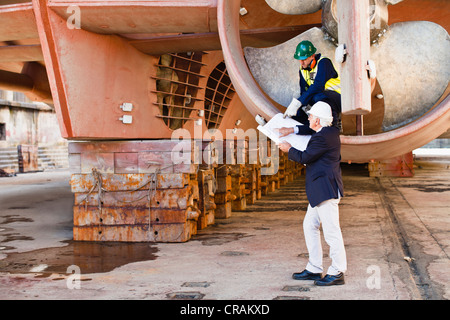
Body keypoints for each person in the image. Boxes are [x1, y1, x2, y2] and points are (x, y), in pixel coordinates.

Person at [278, 101, 347, 286]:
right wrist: (291, 130)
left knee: (332, 232)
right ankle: (315, 268)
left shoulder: (321, 138)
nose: (308, 118)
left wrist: (288, 149)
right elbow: (311, 131)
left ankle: (338, 271)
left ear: (317, 119)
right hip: (321, 191)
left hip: (325, 190)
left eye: (310, 116)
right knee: (310, 225)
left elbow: (304, 157)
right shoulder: (329, 131)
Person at [283, 40, 342, 135]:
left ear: (312, 56)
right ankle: (304, 130)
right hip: (322, 97)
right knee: (301, 108)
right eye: (300, 60)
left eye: (304, 59)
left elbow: (318, 86)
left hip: (338, 98)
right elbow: (303, 91)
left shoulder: (323, 62)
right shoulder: (302, 69)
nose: (301, 63)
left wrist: (299, 102)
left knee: (317, 98)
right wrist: (302, 107)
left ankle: (334, 125)